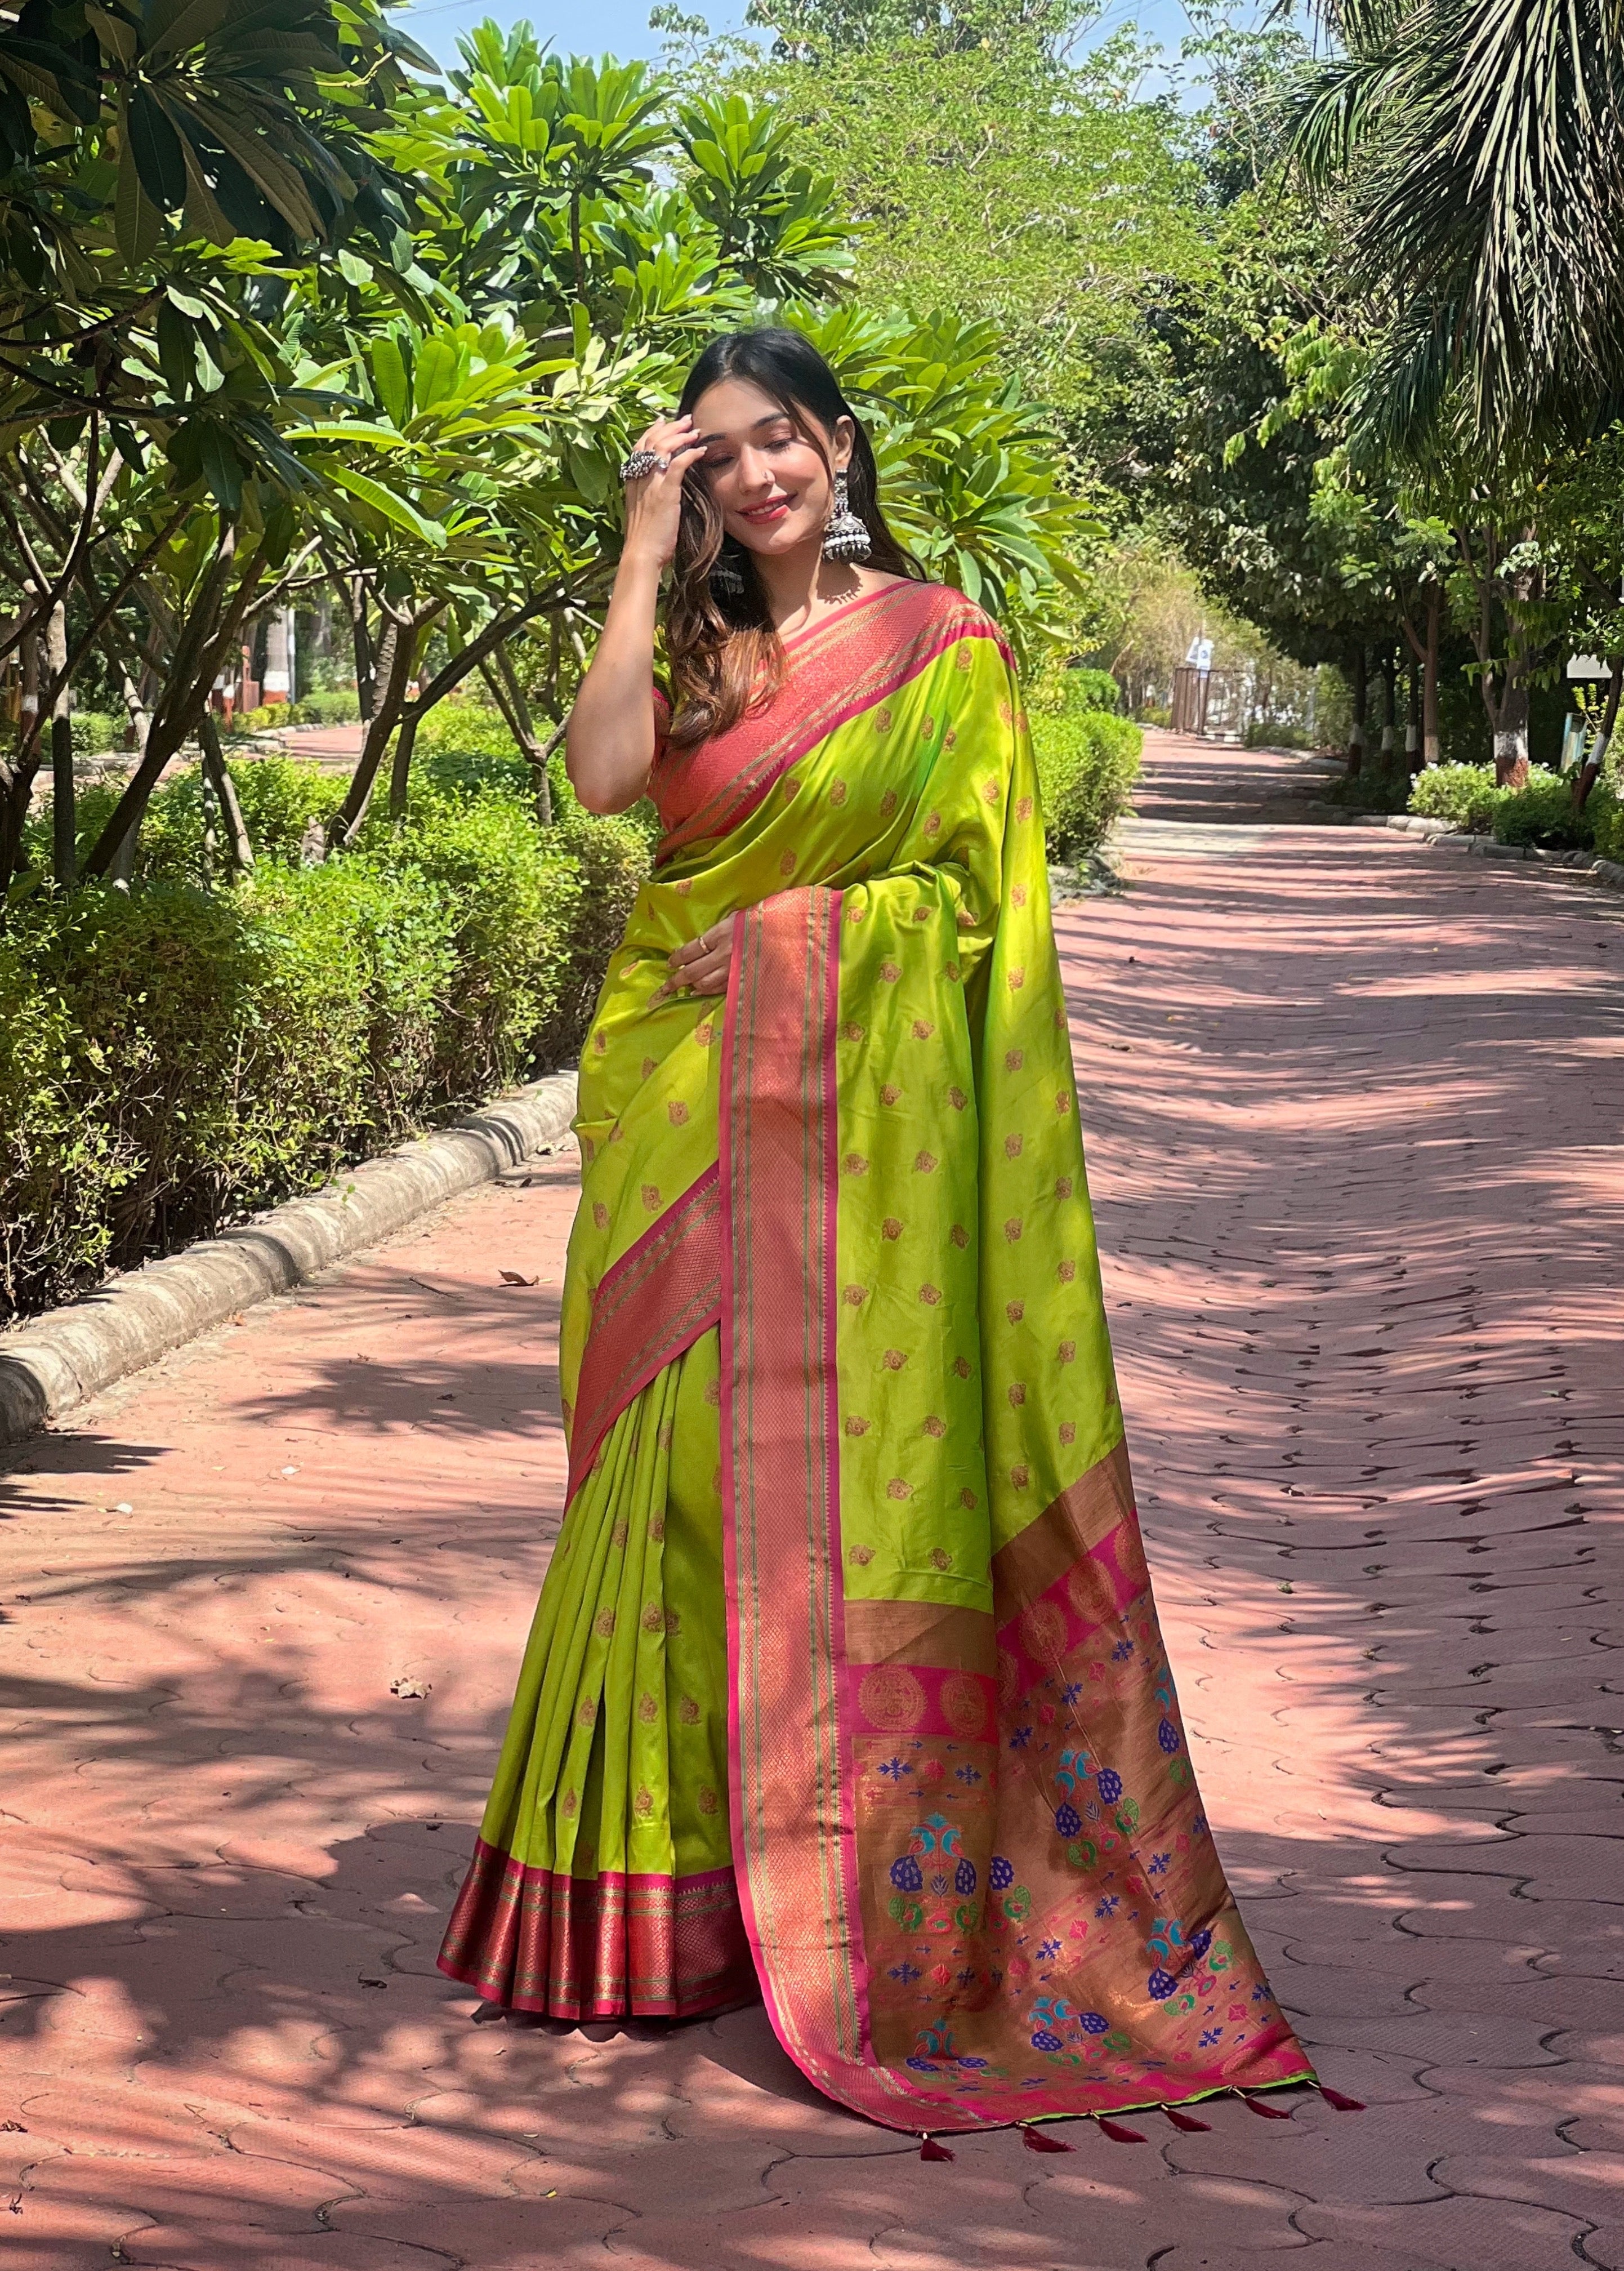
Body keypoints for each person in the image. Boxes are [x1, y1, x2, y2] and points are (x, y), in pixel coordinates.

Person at [438, 327, 1318, 2143]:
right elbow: (605, 784)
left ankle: (838, 1896)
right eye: (723, 457)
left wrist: (790, 945)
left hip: (835, 1115)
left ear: (839, 443)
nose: (762, 476)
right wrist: (629, 549)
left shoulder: (944, 646)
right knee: (658, 1486)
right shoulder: (690, 639)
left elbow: (970, 910)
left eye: (784, 441)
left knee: (780, 1482)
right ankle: (647, 1910)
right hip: (673, 1096)